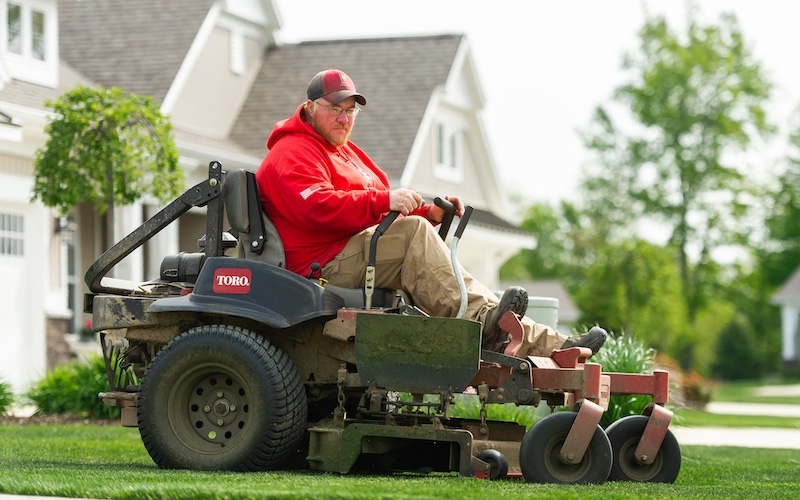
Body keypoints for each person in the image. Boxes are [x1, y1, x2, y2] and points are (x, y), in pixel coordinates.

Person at [255, 69, 606, 358]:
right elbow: (319, 209)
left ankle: (556, 346)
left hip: (355, 249)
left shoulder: (344, 152)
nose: (344, 119)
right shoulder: (292, 153)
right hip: (322, 265)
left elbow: (379, 200)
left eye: (351, 111)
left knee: (435, 247)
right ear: (310, 107)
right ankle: (485, 323)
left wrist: (430, 211)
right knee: (413, 236)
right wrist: (386, 204)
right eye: (335, 109)